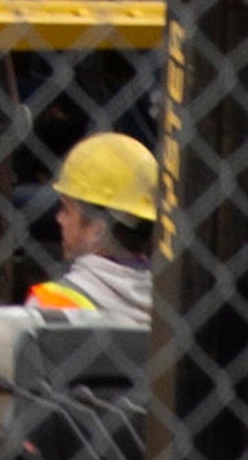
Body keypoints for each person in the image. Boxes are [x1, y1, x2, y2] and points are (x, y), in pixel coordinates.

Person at [26, 132, 159, 322]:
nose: (58, 218)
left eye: (66, 209)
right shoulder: (172, 304)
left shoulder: (52, 304)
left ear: (97, 230)